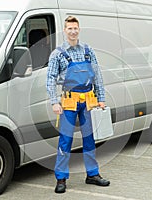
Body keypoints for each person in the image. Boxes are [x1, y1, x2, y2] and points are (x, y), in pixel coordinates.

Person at [46, 16, 110, 194]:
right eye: (69, 29)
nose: (73, 31)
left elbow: (97, 75)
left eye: (75, 28)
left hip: (89, 101)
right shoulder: (58, 54)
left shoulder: (88, 50)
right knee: (65, 140)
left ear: (79, 29)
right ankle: (61, 178)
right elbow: (50, 79)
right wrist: (54, 102)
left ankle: (92, 174)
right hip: (69, 101)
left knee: (89, 139)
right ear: (65, 31)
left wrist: (101, 98)